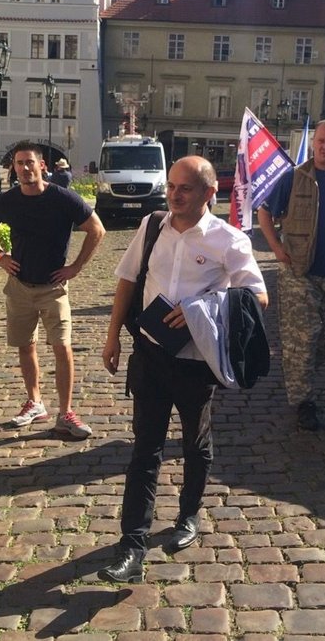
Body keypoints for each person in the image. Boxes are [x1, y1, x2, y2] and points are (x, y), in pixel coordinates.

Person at [98, 156, 268, 583]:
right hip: (151, 356)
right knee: (145, 451)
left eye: (185, 188)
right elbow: (127, 280)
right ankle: (132, 547)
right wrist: (113, 334)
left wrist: (201, 308)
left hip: (196, 364)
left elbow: (257, 297)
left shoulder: (228, 240)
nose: (174, 194)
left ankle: (189, 514)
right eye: (171, 186)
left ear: (210, 194)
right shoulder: (152, 225)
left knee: (195, 442)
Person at [0, 142, 106, 439]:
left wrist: (75, 267)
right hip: (20, 287)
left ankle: (66, 413)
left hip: (54, 288)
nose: (24, 168)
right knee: (26, 346)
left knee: (62, 348)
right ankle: (35, 402)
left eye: (29, 163)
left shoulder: (62, 198)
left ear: (42, 166)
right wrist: (0, 256)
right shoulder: (8, 200)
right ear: (14, 168)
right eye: (19, 163)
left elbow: (96, 229)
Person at [257, 119, 325, 432]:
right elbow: (265, 212)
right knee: (304, 337)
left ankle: (298, 373)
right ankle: (304, 401)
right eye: (321, 141)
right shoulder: (295, 177)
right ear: (314, 143)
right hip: (300, 271)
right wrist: (275, 247)